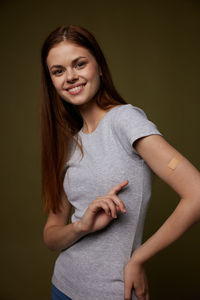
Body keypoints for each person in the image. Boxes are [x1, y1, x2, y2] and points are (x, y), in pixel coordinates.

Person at [40, 24, 200, 300]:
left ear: (99, 67)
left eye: (79, 64)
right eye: (58, 71)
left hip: (113, 291)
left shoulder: (125, 120)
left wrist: (138, 258)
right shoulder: (68, 143)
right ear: (52, 81)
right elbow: (51, 236)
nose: (70, 77)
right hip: (63, 286)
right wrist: (82, 226)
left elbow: (197, 193)